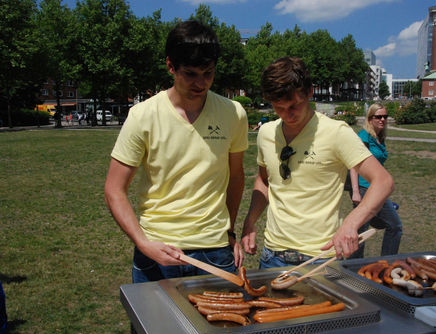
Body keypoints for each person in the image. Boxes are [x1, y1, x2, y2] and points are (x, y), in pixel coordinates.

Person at [104, 20, 249, 283]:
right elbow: (114, 189)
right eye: (191, 74)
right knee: (155, 326)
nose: (201, 83)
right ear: (171, 66)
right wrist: (143, 243)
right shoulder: (142, 116)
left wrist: (229, 233)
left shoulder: (233, 113)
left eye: (208, 73)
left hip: (214, 251)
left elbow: (236, 177)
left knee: (223, 326)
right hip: (157, 249)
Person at [241, 57, 394, 268]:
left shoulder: (336, 132)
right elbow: (263, 181)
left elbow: (383, 181)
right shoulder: (266, 133)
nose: (288, 115)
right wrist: (250, 222)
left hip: (319, 259)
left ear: (310, 92)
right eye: (279, 108)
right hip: (272, 256)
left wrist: (351, 223)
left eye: (294, 105)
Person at [348, 103, 403, 258]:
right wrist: (356, 192)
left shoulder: (379, 137)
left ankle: (359, 264)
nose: (382, 119)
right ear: (370, 118)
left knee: (361, 230)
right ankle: (385, 262)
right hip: (365, 188)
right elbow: (354, 165)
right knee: (394, 226)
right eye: (378, 116)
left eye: (385, 116)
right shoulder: (364, 136)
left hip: (377, 188)